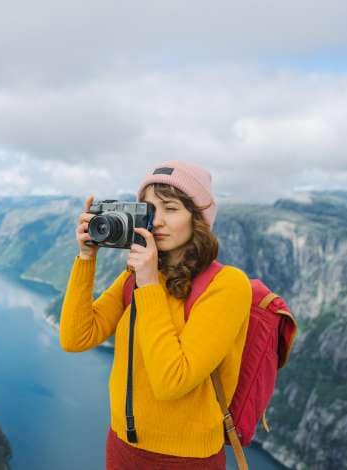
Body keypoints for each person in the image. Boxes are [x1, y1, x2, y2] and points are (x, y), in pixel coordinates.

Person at [59, 160, 252, 470]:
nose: (156, 221)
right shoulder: (137, 276)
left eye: (171, 209)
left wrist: (148, 284)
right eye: (149, 209)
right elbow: (75, 337)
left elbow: (171, 381)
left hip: (185, 460)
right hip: (121, 446)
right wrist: (85, 259)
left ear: (198, 218)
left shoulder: (226, 285)